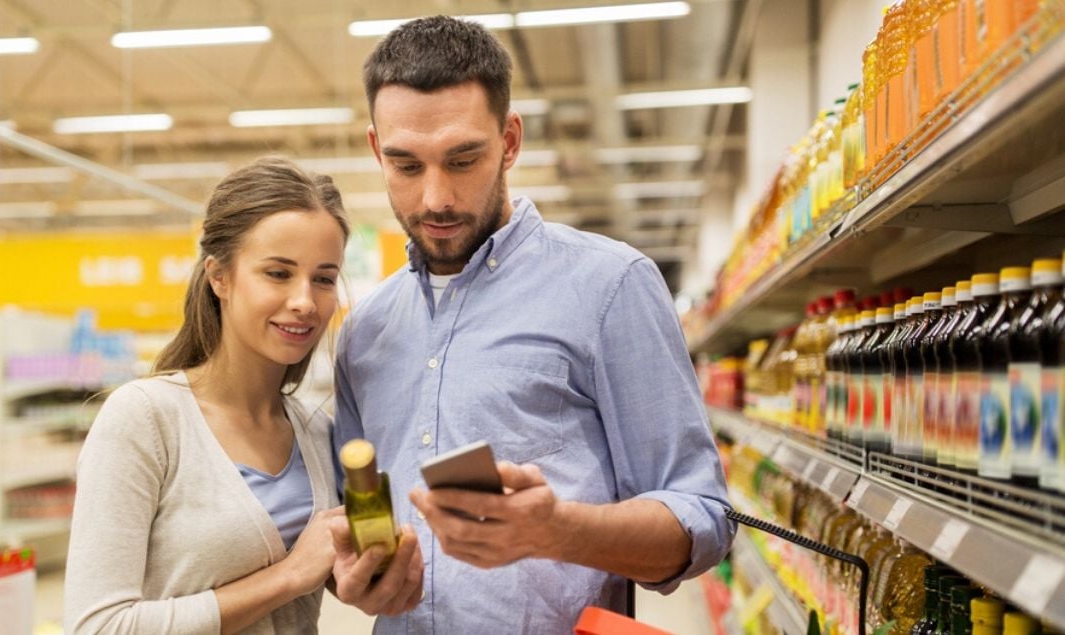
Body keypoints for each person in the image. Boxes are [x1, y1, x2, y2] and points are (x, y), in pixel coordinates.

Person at [330, 16, 736, 633]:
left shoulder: (611, 286)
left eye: (463, 159)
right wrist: (358, 580)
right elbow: (358, 523)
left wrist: (560, 530)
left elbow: (702, 517)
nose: (435, 198)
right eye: (406, 166)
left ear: (510, 140)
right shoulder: (364, 331)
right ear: (375, 149)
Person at [65, 157, 357, 634]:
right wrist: (287, 576)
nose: (305, 300)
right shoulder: (145, 418)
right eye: (279, 273)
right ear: (219, 276)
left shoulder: (315, 432)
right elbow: (99, 626)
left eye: (323, 278)